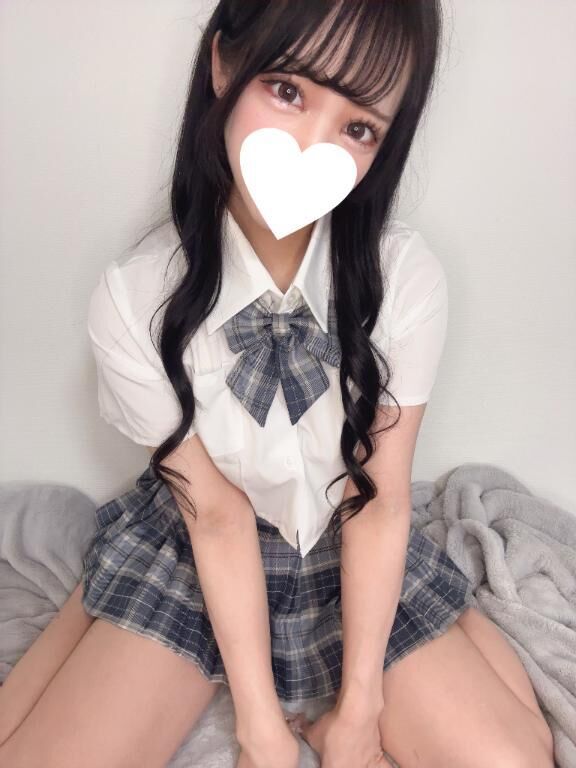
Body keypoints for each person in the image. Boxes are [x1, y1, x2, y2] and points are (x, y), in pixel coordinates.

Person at [0, 2, 554, 767]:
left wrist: (359, 709)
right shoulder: (134, 299)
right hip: (203, 543)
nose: (310, 145)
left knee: (518, 758)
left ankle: (447, 622)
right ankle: (92, 600)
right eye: (288, 90)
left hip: (346, 536)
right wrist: (260, 727)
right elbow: (217, 517)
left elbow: (380, 500)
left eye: (358, 127)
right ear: (224, 64)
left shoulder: (404, 277)